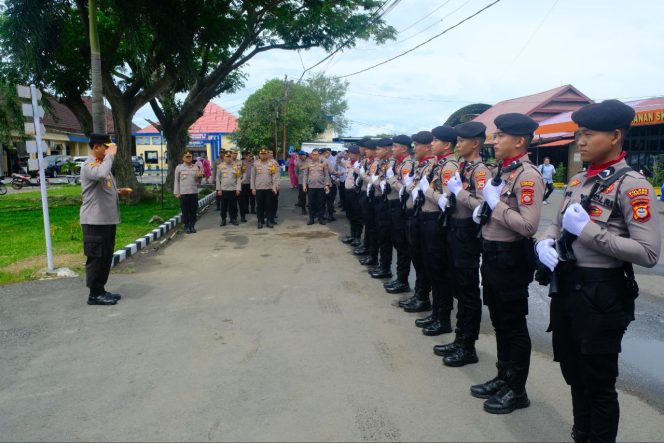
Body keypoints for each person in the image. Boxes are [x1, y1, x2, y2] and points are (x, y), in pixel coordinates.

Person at [535, 100, 660, 442]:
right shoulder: (577, 181)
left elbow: (648, 253)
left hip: (601, 295)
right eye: (579, 135)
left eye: (589, 134)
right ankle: (581, 434)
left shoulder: (632, 186)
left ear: (615, 136)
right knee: (573, 372)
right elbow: (557, 226)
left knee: (599, 382)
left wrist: (590, 230)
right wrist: (544, 243)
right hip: (567, 288)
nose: (581, 142)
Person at [471, 113, 543, 414]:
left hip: (510, 259)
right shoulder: (504, 172)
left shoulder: (527, 175)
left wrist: (495, 204)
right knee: (500, 321)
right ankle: (504, 376)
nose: (495, 141)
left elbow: (528, 226)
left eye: (500, 136)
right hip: (492, 255)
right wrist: (484, 209)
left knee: (513, 326)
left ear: (519, 141)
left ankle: (517, 389)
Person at [435, 121, 491, 367]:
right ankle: (459, 339)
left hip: (468, 232)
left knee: (467, 291)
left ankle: (468, 345)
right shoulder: (463, 167)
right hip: (453, 227)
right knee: (457, 285)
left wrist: (459, 194)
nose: (457, 145)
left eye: (461, 141)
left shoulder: (480, 171)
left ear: (475, 143)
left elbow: (482, 205)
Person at [80, 133, 132, 306]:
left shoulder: (102, 165)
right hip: (94, 221)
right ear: (96, 147)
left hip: (107, 220)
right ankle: (94, 295)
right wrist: (111, 155)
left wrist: (119, 191)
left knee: (105, 257)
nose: (109, 149)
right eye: (106, 146)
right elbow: (101, 175)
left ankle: (100, 290)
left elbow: (102, 187)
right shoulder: (90, 165)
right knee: (96, 257)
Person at [415, 125, 457, 336]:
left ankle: (443, 318)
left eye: (435, 141)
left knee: (440, 271)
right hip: (426, 218)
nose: (431, 144)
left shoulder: (449, 167)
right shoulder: (436, 164)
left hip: (436, 220)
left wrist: (427, 190)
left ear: (447, 144)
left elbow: (446, 200)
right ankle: (436, 312)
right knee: (431, 269)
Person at [400, 131, 435, 314]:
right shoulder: (421, 165)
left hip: (425, 217)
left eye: (417, 145)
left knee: (424, 260)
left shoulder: (432, 166)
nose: (414, 148)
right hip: (414, 214)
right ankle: (419, 294)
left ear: (427, 147)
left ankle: (423, 297)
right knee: (417, 257)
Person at [383, 134, 414, 295]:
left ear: (403, 148)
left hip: (402, 206)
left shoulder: (407, 165)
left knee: (402, 245)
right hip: (394, 204)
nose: (392, 149)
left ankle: (402, 280)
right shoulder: (398, 163)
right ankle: (399, 278)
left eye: (395, 146)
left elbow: (405, 188)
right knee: (397, 242)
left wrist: (391, 179)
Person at [368, 138, 394, 279]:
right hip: (380, 200)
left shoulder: (390, 164)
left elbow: (382, 183)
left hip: (386, 202)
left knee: (385, 236)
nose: (377, 151)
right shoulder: (384, 163)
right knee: (380, 234)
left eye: (379, 149)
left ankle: (385, 268)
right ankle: (383, 265)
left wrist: (375, 180)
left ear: (387, 149)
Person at [340, 144, 363, 246]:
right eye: (348, 152)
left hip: (355, 193)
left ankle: (357, 237)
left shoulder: (361, 164)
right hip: (348, 192)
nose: (348, 154)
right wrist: (341, 154)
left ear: (357, 154)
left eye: (350, 153)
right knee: (350, 215)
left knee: (357, 215)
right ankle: (352, 235)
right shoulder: (350, 163)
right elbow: (338, 160)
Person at [175, 151, 203, 234]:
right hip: (183, 193)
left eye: (190, 157)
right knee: (185, 211)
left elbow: (198, 181)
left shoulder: (195, 167)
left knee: (193, 210)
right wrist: (177, 192)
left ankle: (192, 225)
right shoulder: (179, 168)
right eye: (186, 157)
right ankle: (186, 226)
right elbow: (176, 181)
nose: (188, 158)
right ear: (183, 158)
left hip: (193, 192)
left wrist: (200, 177)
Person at [251, 148, 279, 229]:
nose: (263, 155)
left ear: (267, 154)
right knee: (260, 206)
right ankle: (260, 221)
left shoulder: (272, 163)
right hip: (259, 188)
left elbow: (275, 176)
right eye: (261, 154)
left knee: (269, 205)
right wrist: (253, 188)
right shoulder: (255, 164)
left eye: (265, 154)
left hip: (269, 188)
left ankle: (269, 221)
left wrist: (275, 187)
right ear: (259, 155)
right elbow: (252, 177)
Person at [303, 148, 331, 225]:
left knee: (321, 203)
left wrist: (327, 185)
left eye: (316, 155)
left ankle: (320, 218)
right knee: (311, 203)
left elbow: (326, 175)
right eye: (313, 154)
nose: (314, 156)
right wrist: (304, 185)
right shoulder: (308, 163)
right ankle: (311, 218)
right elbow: (305, 175)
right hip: (311, 187)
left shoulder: (323, 163)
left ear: (318, 155)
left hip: (321, 187)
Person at [216, 151, 242, 226]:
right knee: (223, 206)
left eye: (230, 157)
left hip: (233, 190)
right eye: (227, 157)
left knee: (233, 206)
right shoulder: (220, 166)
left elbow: (238, 178)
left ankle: (233, 219)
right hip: (224, 190)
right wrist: (219, 189)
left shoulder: (236, 166)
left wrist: (238, 189)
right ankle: (223, 219)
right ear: (224, 158)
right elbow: (218, 178)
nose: (228, 158)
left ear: (231, 157)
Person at [323, 148, 339, 221]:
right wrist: (339, 174)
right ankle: (330, 215)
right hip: (328, 183)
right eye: (327, 153)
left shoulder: (315, 160)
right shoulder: (327, 160)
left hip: (320, 184)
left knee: (323, 199)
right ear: (326, 153)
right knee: (330, 199)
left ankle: (322, 215)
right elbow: (332, 171)